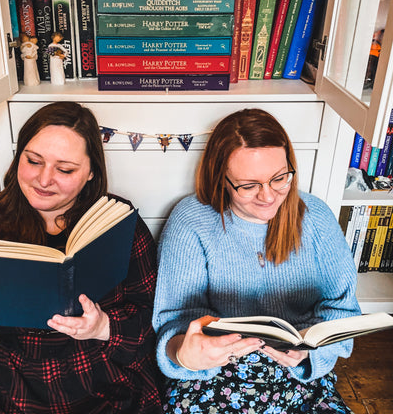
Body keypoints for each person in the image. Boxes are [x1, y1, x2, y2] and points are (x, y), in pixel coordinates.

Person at [0, 101, 162, 413]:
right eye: (33, 161)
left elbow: (150, 325)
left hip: (96, 382)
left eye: (65, 169)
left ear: (90, 174)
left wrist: (103, 327)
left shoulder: (116, 220)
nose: (44, 180)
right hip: (1, 384)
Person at [153, 108, 361, 414]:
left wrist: (310, 355)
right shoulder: (191, 221)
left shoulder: (316, 217)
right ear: (221, 179)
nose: (268, 197)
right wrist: (185, 354)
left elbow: (344, 315)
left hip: (300, 377)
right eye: (249, 185)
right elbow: (171, 324)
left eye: (279, 178)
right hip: (213, 377)